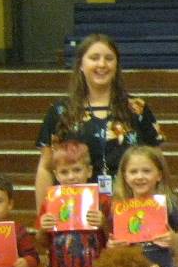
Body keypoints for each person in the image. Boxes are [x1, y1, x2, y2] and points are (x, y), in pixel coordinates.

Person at [34, 34, 163, 198]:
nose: (102, 64)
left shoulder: (137, 108)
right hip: (78, 210)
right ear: (81, 64)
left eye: (109, 58)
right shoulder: (60, 111)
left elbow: (157, 163)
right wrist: (43, 216)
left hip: (129, 207)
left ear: (116, 65)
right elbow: (45, 168)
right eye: (94, 58)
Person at [38, 141, 109, 267]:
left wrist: (104, 224)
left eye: (77, 170)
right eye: (64, 172)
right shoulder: (50, 202)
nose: (71, 177)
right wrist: (42, 229)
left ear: (89, 171)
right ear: (56, 175)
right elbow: (42, 243)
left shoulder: (102, 202)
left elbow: (115, 241)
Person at [111, 145, 178, 267]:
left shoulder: (170, 203)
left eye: (146, 171)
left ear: (159, 175)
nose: (140, 176)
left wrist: (175, 239)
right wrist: (112, 245)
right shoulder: (119, 208)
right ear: (125, 176)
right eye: (133, 172)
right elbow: (112, 238)